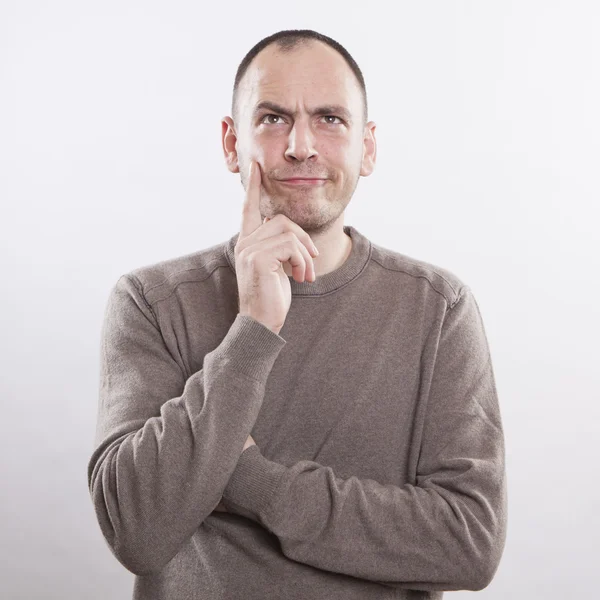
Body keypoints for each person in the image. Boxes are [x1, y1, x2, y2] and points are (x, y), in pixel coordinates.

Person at [87, 29, 507, 600]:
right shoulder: (152, 301)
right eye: (273, 119)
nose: (301, 146)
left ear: (369, 146)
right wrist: (254, 328)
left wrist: (252, 481)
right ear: (232, 144)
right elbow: (136, 531)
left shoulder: (439, 310)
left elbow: (469, 544)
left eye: (331, 119)